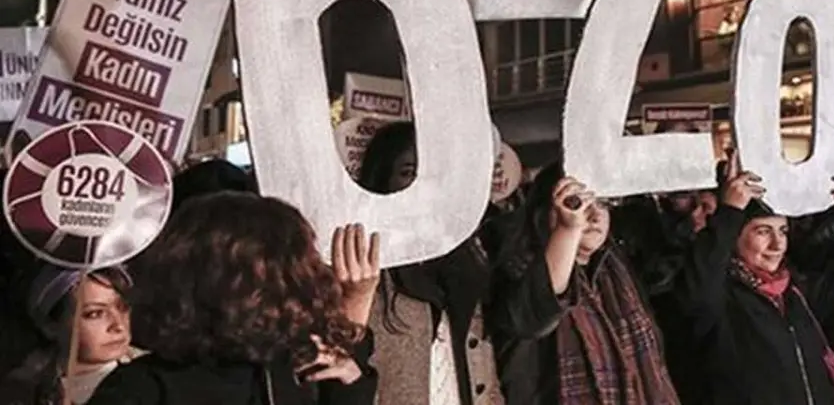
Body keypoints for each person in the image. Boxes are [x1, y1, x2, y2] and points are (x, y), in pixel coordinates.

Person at [89, 192, 378, 405]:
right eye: (290, 273)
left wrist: (350, 387)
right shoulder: (141, 391)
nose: (310, 285)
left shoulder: (297, 375)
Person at [672, 153, 834, 404]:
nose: (777, 245)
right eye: (763, 232)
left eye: (782, 231)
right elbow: (699, 288)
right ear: (734, 238)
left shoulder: (796, 293)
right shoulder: (721, 300)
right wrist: (730, 212)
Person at [491, 164, 680, 404]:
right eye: (577, 203)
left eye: (602, 203)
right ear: (542, 214)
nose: (594, 216)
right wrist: (568, 229)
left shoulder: (615, 268)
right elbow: (535, 313)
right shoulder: (519, 269)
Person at [358, 120, 510, 404]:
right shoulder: (365, 264)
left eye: (432, 174)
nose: (422, 186)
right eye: (408, 172)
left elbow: (483, 366)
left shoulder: (464, 258)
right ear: (382, 178)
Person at [1, 266, 143, 404]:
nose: (118, 325)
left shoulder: (150, 376)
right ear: (50, 326)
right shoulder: (23, 391)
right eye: (95, 314)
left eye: (123, 307)